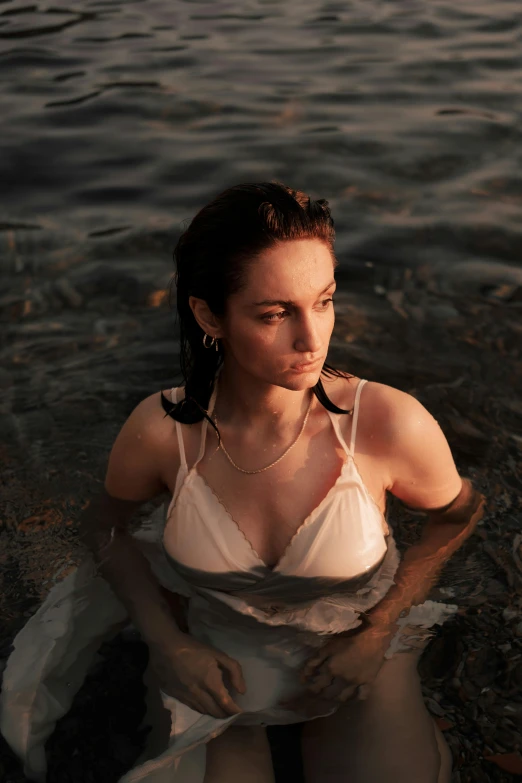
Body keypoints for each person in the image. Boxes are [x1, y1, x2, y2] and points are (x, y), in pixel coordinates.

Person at [0, 181, 486, 783]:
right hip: (218, 665)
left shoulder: (386, 424)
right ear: (209, 315)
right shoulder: (162, 432)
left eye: (325, 301)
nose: (312, 340)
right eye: (275, 313)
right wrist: (166, 641)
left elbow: (458, 513)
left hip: (359, 653)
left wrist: (381, 627)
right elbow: (105, 526)